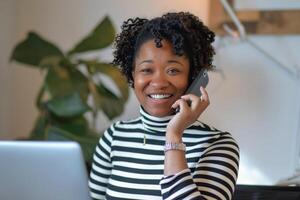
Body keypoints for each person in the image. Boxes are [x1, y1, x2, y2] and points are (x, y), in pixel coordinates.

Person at [89, 12, 239, 200]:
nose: (159, 82)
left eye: (173, 70)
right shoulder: (113, 138)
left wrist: (174, 135)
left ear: (192, 76)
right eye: (146, 70)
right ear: (132, 75)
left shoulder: (217, 144)